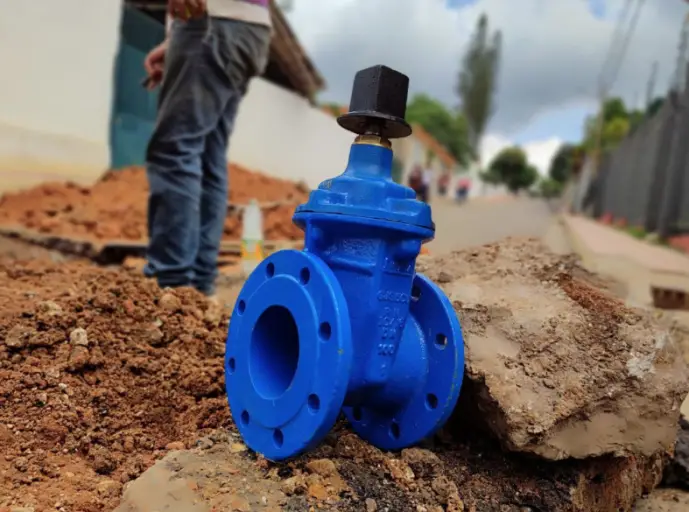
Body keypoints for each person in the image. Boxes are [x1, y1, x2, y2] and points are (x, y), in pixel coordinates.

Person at [142, 0, 271, 297]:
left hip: (215, 20)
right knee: (209, 157)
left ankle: (169, 285)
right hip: (247, 28)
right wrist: (174, 40)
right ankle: (198, 291)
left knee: (175, 150)